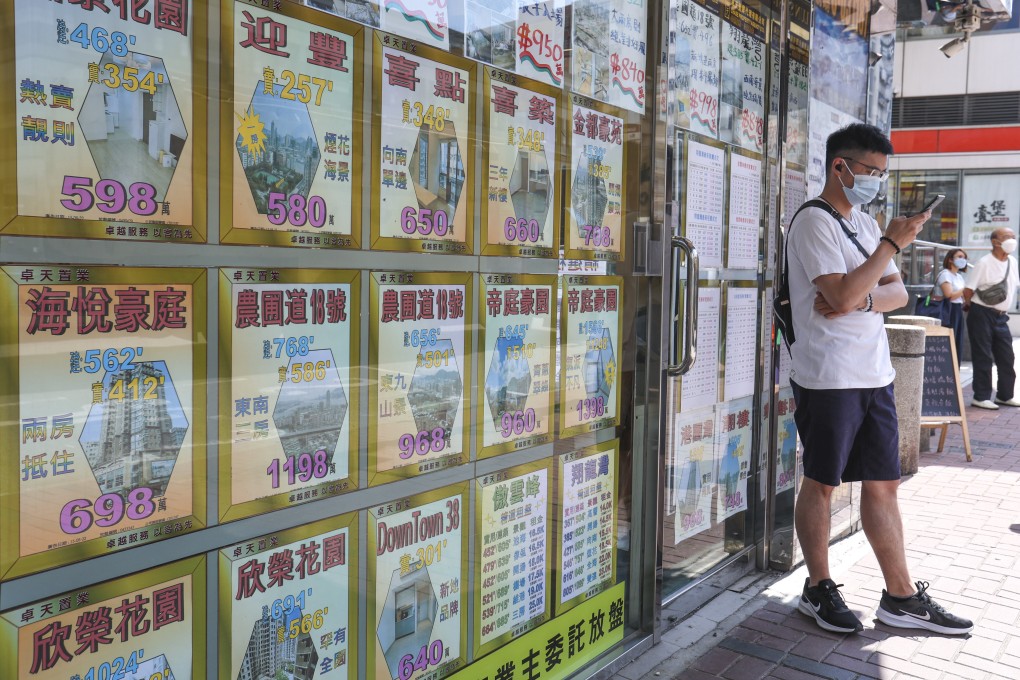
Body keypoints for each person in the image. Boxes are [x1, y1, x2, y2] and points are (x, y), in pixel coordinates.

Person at [786, 123, 973, 635]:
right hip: (827, 377)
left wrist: (864, 293)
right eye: (871, 172)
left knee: (884, 485)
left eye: (882, 174)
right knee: (822, 482)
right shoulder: (814, 223)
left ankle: (900, 595)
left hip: (874, 372)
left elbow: (893, 297)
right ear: (839, 167)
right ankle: (817, 587)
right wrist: (886, 251)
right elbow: (840, 296)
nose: (876, 182)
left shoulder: (866, 227)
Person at [963, 227, 1020, 410]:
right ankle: (981, 397)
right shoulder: (984, 263)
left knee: (1007, 357)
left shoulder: (1012, 261)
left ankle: (1005, 395)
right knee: (983, 356)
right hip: (982, 313)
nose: (1011, 239)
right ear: (995, 241)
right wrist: (972, 307)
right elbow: (968, 290)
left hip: (1002, 317)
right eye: (1006, 237)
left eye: (1013, 236)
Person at [934, 248, 968, 359]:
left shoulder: (959, 276)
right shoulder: (945, 274)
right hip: (948, 310)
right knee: (950, 340)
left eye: (964, 257)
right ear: (950, 259)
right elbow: (949, 295)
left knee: (957, 340)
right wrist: (965, 290)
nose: (962, 259)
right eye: (959, 256)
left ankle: (955, 371)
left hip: (958, 309)